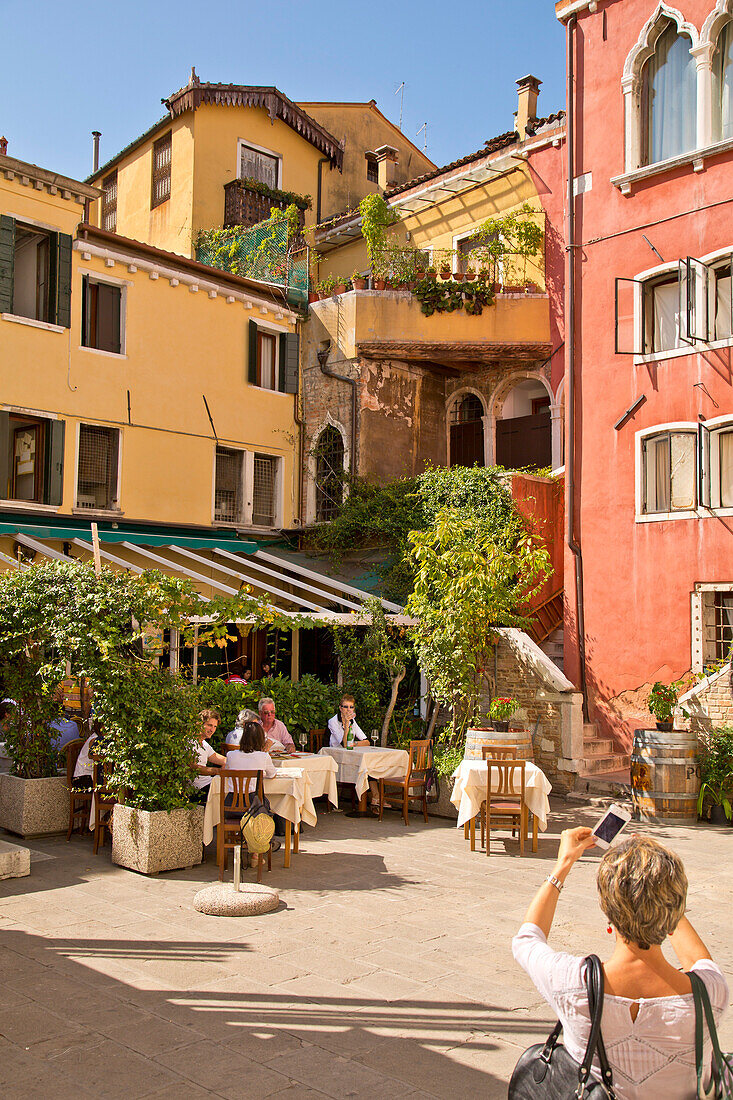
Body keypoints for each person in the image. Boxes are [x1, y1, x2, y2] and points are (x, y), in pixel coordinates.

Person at [513, 828, 729, 1100]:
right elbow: (698, 959)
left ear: (609, 921)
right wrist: (660, 893)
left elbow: (526, 940)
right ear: (673, 912)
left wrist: (563, 865)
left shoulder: (572, 984)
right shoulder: (711, 994)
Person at [192, 709, 226, 801]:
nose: (212, 730)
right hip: (198, 790)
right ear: (199, 724)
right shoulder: (190, 742)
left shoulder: (204, 744)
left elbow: (221, 759)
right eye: (209, 725)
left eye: (215, 727)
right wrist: (217, 771)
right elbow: (193, 768)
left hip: (209, 784)